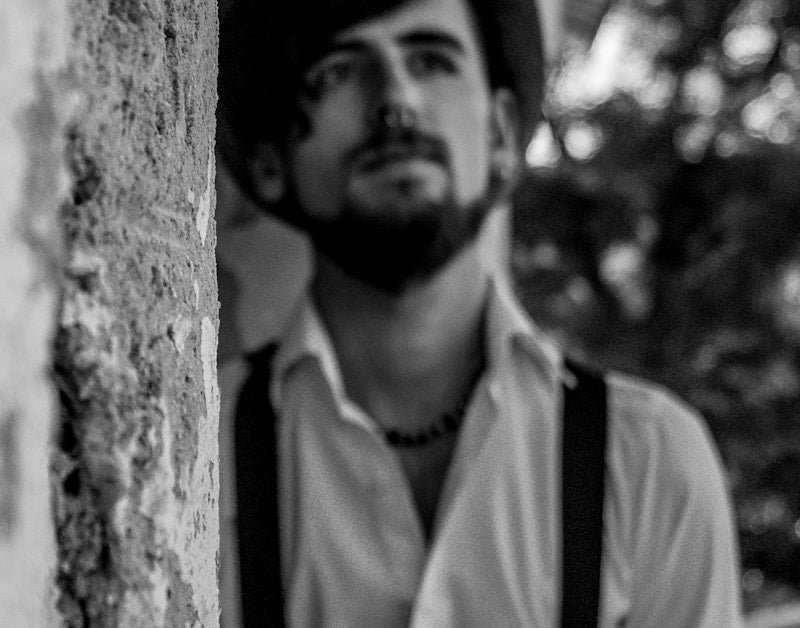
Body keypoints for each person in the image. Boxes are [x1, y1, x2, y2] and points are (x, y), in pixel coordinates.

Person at [215, 0, 744, 625]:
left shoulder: (651, 461)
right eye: (338, 72)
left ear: (499, 133)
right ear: (270, 160)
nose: (396, 102)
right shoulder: (203, 453)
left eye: (431, 60)